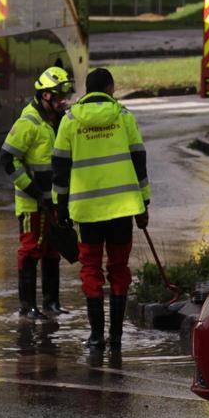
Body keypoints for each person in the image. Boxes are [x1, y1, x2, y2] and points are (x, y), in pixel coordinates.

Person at [52, 68, 149, 351]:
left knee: (91, 269)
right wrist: (144, 203)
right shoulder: (124, 117)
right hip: (122, 210)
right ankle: (116, 337)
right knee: (119, 269)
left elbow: (60, 168)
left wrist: (60, 206)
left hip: (86, 211)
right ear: (110, 88)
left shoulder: (69, 121)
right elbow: (139, 161)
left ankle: (96, 337)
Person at [0, 66, 74, 319]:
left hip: (54, 201)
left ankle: (51, 304)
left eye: (66, 95)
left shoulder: (61, 120)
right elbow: (8, 159)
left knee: (53, 251)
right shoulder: (28, 122)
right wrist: (32, 190)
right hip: (33, 204)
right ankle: (27, 307)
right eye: (59, 96)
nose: (64, 101)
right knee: (31, 251)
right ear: (45, 96)